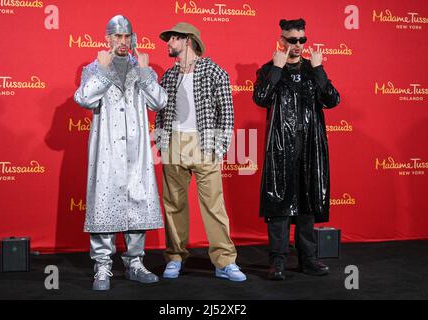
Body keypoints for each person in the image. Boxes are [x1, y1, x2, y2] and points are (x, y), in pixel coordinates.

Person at [74, 15, 167, 290]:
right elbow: (84, 99)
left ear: (133, 38)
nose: (123, 41)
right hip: (107, 149)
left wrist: (145, 73)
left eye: (127, 36)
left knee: (137, 202)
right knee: (104, 202)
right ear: (108, 39)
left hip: (137, 150)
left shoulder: (142, 68)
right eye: (117, 36)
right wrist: (102, 72)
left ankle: (135, 263)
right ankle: (102, 267)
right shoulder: (93, 67)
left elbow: (159, 102)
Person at [155, 22, 246, 282]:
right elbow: (161, 113)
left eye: (172, 38)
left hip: (204, 143)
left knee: (214, 206)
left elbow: (227, 113)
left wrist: (219, 148)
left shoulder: (214, 71)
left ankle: (225, 261)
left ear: (188, 40)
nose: (168, 43)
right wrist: (162, 143)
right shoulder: (169, 76)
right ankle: (175, 257)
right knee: (173, 204)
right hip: (174, 142)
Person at [253, 18, 340, 281]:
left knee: (307, 205)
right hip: (281, 149)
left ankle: (309, 260)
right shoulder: (269, 69)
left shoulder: (314, 70)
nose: (299, 45)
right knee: (279, 206)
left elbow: (333, 100)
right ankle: (277, 262)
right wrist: (277, 69)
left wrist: (320, 68)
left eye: (302, 39)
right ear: (282, 41)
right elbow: (261, 98)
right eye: (293, 40)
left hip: (311, 149)